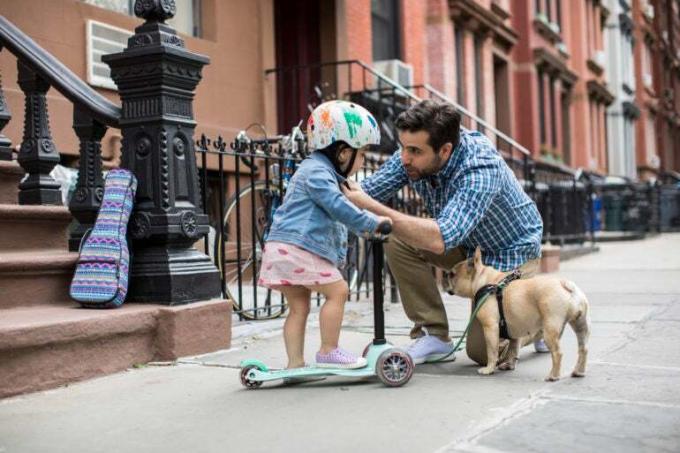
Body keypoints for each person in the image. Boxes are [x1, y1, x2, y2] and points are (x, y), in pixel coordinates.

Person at [341, 100, 547, 366]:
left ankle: (538, 323)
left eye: (414, 151)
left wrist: (370, 207)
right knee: (394, 235)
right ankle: (434, 335)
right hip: (467, 244)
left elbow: (441, 237)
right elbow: (365, 190)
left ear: (446, 150)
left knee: (483, 352)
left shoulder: (480, 167)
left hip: (510, 251)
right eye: (403, 147)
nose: (404, 158)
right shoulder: (413, 155)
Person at [259, 100, 390, 373]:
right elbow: (338, 207)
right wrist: (372, 223)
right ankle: (329, 350)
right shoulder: (318, 174)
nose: (363, 159)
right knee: (338, 290)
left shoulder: (319, 171)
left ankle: (295, 365)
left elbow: (337, 216)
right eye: (362, 152)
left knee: (299, 307)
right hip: (296, 248)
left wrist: (362, 228)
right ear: (343, 152)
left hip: (284, 248)